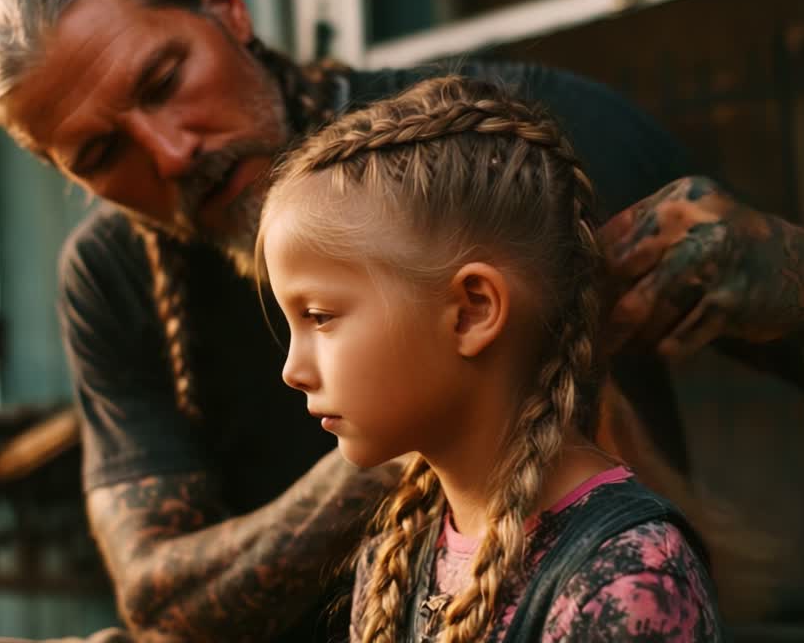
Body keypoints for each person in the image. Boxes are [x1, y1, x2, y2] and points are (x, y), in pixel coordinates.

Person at [0, 0, 804, 640]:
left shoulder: (506, 147)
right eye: (101, 153)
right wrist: (436, 415)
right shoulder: (109, 277)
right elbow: (165, 601)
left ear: (223, 4)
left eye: (166, 78)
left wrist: (797, 279)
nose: (171, 152)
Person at [259, 74, 722, 642]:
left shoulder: (626, 578)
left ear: (472, 310)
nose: (291, 370)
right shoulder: (397, 559)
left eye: (321, 318)